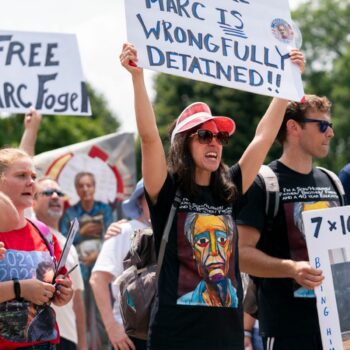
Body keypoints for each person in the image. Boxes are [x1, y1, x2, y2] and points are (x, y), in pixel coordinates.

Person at [120, 42, 304, 349]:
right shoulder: (167, 192)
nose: (214, 142)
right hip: (174, 336)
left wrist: (287, 82)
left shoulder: (230, 189)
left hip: (227, 337)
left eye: (220, 136)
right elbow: (150, 138)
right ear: (184, 144)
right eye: (204, 135)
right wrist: (137, 78)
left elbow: (263, 136)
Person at [237, 95, 340, 349]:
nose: (331, 134)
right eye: (323, 126)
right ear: (294, 127)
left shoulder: (333, 182)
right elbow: (238, 254)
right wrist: (292, 269)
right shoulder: (263, 183)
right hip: (287, 332)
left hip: (338, 328)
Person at [0, 147, 73, 349]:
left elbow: (61, 284)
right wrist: (20, 288)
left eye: (33, 176)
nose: (31, 182)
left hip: (45, 343)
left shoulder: (43, 231)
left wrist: (63, 293)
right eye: (21, 175)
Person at [90, 179, 150, 350]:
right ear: (139, 200)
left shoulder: (176, 233)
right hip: (130, 337)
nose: (157, 199)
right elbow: (98, 279)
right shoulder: (124, 231)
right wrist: (111, 327)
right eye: (149, 195)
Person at [59, 171, 113, 350]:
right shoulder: (70, 212)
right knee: (80, 312)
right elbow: (62, 240)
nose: (85, 189)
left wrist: (96, 256)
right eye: (81, 185)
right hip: (79, 268)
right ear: (76, 189)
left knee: (103, 311)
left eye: (88, 185)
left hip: (102, 267)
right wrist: (81, 233)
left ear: (94, 187)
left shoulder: (104, 209)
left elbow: (111, 238)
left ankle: (106, 346)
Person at [33, 177, 88, 350]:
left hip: (67, 338)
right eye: (48, 193)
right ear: (32, 201)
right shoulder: (28, 230)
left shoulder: (68, 245)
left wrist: (83, 345)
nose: (56, 196)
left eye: (59, 193)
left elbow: (78, 301)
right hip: (35, 337)